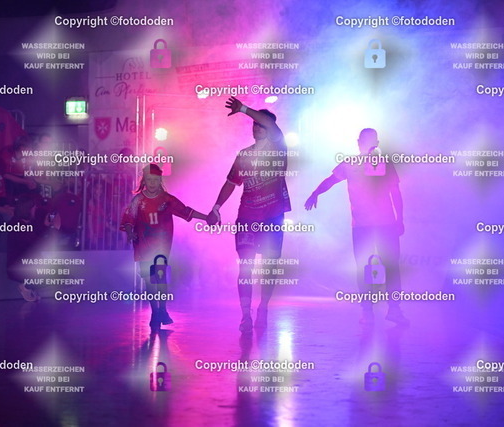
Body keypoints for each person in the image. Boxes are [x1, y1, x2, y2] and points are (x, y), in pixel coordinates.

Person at [304, 128, 408, 325]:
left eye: (371, 140)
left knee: (391, 266)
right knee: (364, 267)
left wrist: (399, 219)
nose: (368, 144)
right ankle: (367, 310)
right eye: (365, 140)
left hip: (386, 224)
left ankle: (394, 309)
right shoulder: (350, 163)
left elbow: (395, 192)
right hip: (362, 225)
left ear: (377, 143)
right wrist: (315, 193)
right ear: (358, 142)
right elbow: (331, 181)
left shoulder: (385, 163)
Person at [207, 97, 291, 333]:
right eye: (254, 124)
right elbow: (230, 183)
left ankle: (263, 307)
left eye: (261, 124)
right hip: (247, 218)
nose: (256, 127)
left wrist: (244, 109)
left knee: (269, 267)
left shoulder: (278, 147)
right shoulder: (244, 154)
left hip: (272, 217)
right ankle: (245, 314)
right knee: (246, 267)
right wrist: (216, 207)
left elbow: (269, 123)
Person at [120, 164, 208, 331]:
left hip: (161, 246)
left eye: (155, 180)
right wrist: (130, 232)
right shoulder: (137, 200)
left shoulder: (167, 200)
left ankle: (162, 309)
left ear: (160, 180)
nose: (152, 183)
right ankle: (155, 312)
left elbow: (186, 211)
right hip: (143, 246)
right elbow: (129, 219)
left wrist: (206, 218)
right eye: (149, 180)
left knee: (160, 278)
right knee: (149, 281)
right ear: (144, 181)